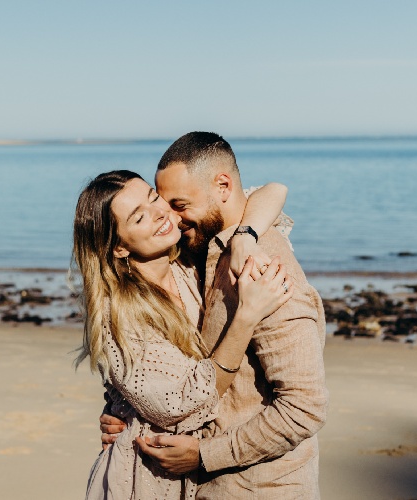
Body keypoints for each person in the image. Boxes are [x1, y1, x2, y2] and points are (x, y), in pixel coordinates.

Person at [102, 132, 329, 499]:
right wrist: (126, 410)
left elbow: (306, 406)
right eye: (161, 204)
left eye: (179, 204)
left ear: (222, 185)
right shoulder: (201, 251)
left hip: (260, 488)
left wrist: (205, 456)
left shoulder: (265, 271)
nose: (170, 218)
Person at [73, 169, 295, 499]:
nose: (160, 213)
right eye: (139, 217)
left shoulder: (188, 257)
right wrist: (247, 316)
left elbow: (273, 190)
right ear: (118, 247)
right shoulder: (116, 315)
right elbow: (183, 403)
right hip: (148, 476)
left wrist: (245, 237)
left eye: (153, 197)